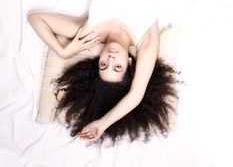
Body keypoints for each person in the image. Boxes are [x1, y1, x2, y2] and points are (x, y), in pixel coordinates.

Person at [28, 11, 178, 144]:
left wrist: (63, 52)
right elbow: (136, 93)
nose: (111, 58)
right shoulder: (146, 41)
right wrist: (102, 124)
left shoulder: (88, 34)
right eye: (118, 67)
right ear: (129, 62)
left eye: (104, 64)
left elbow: (35, 18)